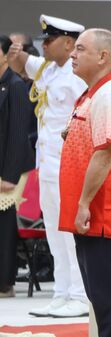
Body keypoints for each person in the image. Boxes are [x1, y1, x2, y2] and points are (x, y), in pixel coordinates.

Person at [7, 14, 89, 317]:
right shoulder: (50, 69)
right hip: (48, 163)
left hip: (70, 163)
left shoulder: (78, 73)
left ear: (69, 43)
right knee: (54, 231)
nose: (44, 44)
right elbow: (24, 64)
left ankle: (80, 296)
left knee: (71, 233)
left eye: (49, 39)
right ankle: (62, 291)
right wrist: (16, 52)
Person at [60, 28, 111, 337]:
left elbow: (105, 153)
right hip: (95, 209)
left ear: (104, 56)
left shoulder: (109, 94)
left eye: (80, 49)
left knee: (107, 298)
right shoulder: (95, 92)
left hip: (103, 209)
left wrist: (83, 203)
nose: (72, 54)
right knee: (100, 295)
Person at [0, 35, 36, 298]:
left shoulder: (14, 85)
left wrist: (9, 175)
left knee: (3, 226)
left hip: (7, 170)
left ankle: (4, 282)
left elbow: (18, 132)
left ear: (5, 55)